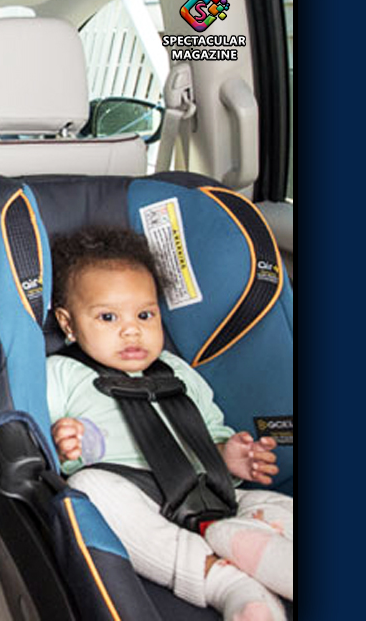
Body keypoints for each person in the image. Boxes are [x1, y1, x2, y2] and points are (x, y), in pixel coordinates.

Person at [47, 226, 292, 621]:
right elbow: (39, 438)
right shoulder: (61, 372)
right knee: (88, 490)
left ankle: (269, 552)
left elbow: (211, 431)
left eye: (145, 315)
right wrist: (62, 439)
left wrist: (229, 456)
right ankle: (223, 581)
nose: (132, 329)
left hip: (213, 491)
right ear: (68, 323)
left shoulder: (177, 371)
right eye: (108, 317)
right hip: (136, 494)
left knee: (280, 507)